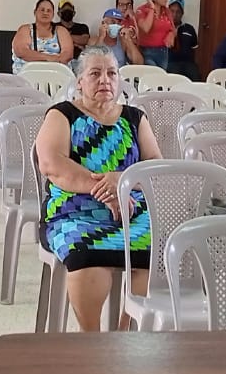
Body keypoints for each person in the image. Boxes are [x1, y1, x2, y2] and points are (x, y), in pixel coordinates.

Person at [35, 46, 161, 332]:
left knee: (155, 252)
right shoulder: (63, 114)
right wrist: (107, 191)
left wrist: (122, 181)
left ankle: (125, 334)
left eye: (111, 73)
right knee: (87, 255)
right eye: (95, 73)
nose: (105, 80)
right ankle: (92, 338)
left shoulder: (134, 117)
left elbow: (155, 165)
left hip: (131, 212)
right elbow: (52, 163)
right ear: (79, 81)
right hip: (74, 212)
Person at [12, 0, 74, 66]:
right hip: (29, 71)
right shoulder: (25, 29)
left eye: (49, 11)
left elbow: (68, 55)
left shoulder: (61, 31)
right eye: (42, 10)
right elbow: (21, 51)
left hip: (56, 70)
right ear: (35, 12)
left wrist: (53, 61)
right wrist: (49, 58)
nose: (45, 13)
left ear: (53, 15)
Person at [134, 0, 176, 70]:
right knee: (153, 73)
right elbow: (146, 28)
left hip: (163, 51)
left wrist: (171, 34)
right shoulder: (141, 10)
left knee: (162, 76)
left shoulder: (167, 11)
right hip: (147, 51)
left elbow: (173, 28)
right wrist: (152, 9)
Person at [166, 0, 200, 80]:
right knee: (175, 76)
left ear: (182, 13)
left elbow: (195, 49)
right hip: (171, 62)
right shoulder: (163, 27)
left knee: (196, 77)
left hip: (188, 63)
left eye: (178, 12)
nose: (175, 14)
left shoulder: (189, 28)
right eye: (172, 11)